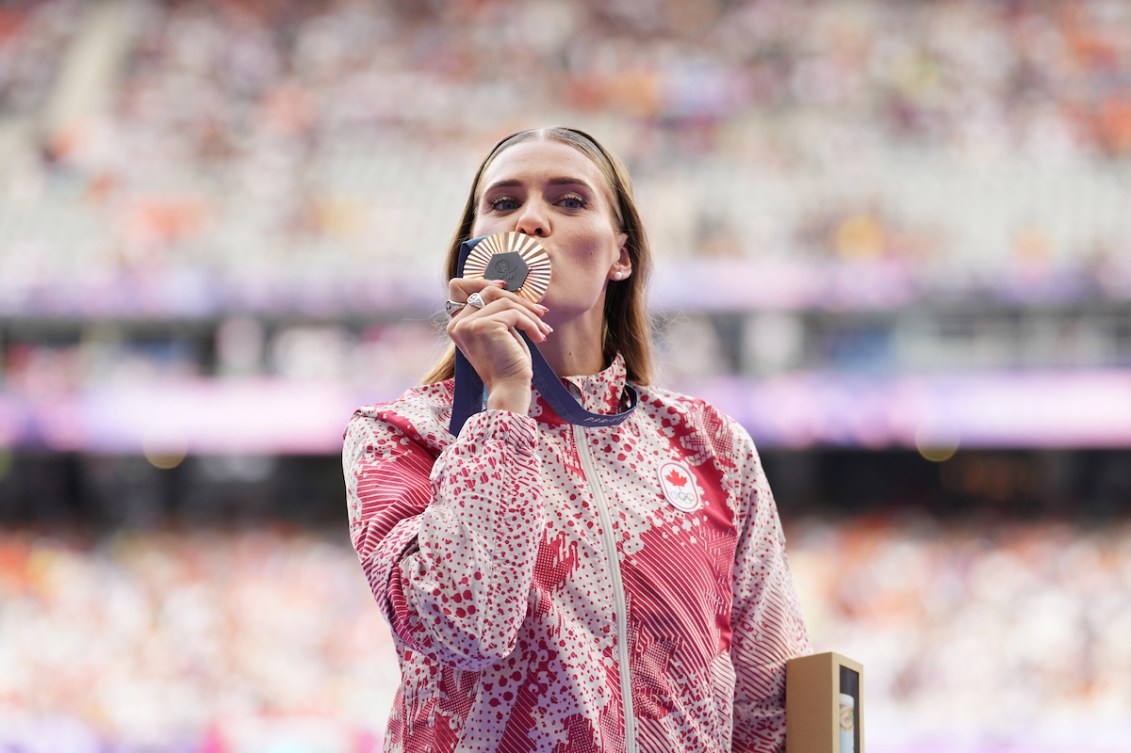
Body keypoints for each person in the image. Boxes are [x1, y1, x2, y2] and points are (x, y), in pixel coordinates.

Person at [343, 126, 811, 753]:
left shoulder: (711, 445)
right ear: (472, 252)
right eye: (505, 204)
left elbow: (767, 705)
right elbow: (464, 626)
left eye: (569, 201)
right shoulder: (400, 437)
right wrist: (502, 403)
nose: (532, 220)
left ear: (621, 255)